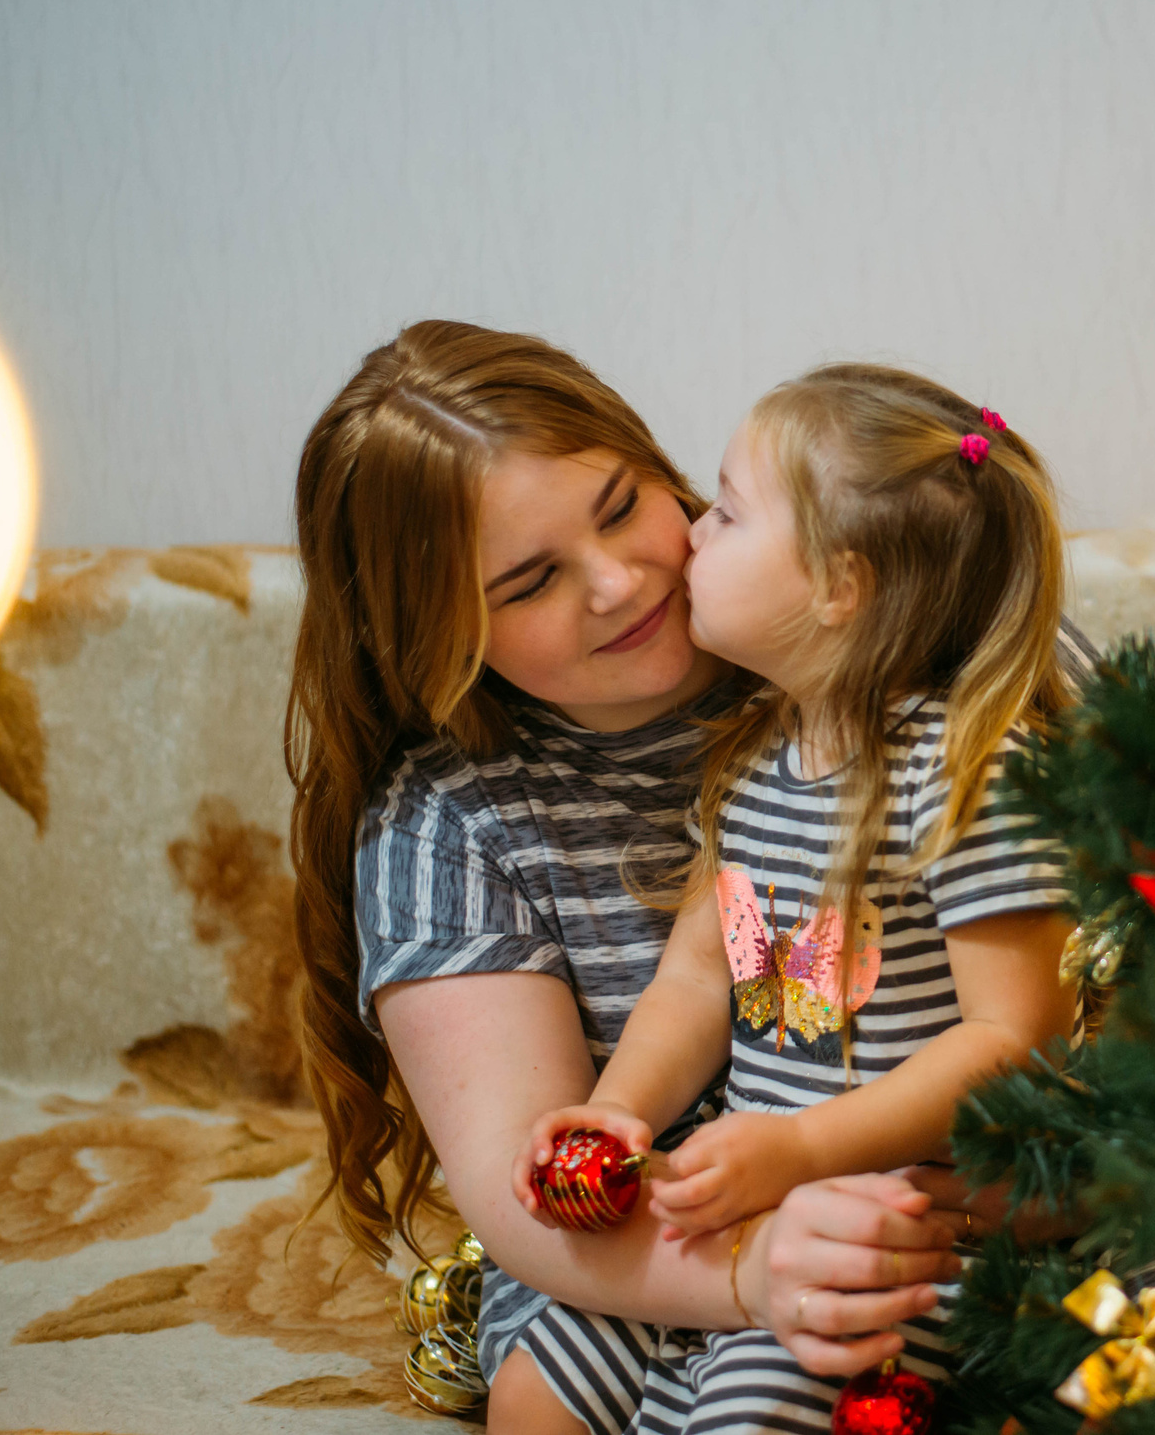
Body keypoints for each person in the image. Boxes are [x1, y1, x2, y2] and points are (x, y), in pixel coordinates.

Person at [288, 323, 991, 1435]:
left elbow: (1092, 995)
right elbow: (529, 1195)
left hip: (922, 1186)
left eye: (622, 505)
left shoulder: (877, 660)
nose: (618, 582)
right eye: (529, 581)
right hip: (625, 1253)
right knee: (538, 1403)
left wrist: (990, 1199)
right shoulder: (450, 822)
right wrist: (752, 1268)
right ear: (433, 637)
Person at [509, 364, 1080, 1431]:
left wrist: (806, 1148)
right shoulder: (758, 752)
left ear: (836, 586)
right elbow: (695, 975)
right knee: (529, 1392)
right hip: (737, 1198)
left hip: (889, 1231)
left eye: (724, 510)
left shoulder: (964, 767)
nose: (687, 535)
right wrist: (622, 1108)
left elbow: (1019, 1034)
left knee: (750, 1409)